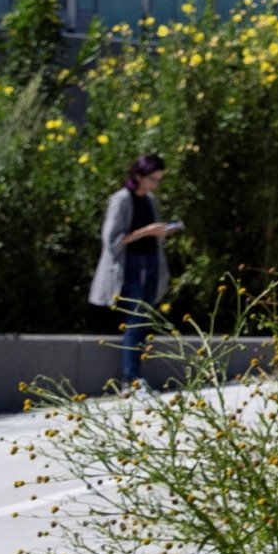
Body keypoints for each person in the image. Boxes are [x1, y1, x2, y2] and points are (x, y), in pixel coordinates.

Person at [88, 153, 180, 391]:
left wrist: (162, 231)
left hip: (150, 263)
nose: (155, 184)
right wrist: (145, 231)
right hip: (129, 266)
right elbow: (112, 241)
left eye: (158, 180)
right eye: (152, 179)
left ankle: (134, 377)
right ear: (138, 176)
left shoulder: (149, 200)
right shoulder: (121, 199)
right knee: (136, 319)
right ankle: (131, 379)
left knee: (145, 318)